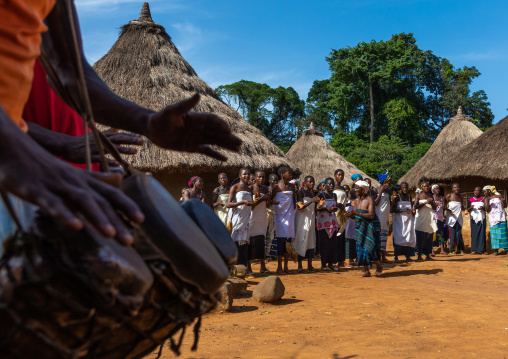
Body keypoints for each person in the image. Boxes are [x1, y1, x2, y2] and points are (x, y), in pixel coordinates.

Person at [0, 0, 242, 246]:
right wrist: (43, 146)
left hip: (51, 161)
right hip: (19, 169)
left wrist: (146, 121)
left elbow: (72, 71)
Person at [346, 180, 383, 277]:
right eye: (355, 187)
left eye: (357, 188)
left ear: (363, 190)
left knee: (369, 249)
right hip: (360, 227)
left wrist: (356, 213)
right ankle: (366, 271)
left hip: (370, 227)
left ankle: (379, 266)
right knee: (360, 248)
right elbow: (356, 215)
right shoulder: (357, 201)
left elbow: (371, 215)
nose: (355, 190)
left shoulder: (369, 199)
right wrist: (350, 215)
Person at [226, 168, 254, 266]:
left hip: (246, 220)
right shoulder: (235, 187)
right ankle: (232, 270)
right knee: (235, 244)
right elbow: (228, 204)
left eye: (248, 174)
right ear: (239, 176)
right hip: (236, 220)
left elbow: (251, 206)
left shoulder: (250, 189)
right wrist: (242, 202)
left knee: (244, 246)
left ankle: (242, 270)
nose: (247, 176)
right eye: (244, 174)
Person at [271, 166, 296, 274]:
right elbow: (272, 199)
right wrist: (274, 202)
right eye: (288, 173)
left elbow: (294, 200)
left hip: (289, 216)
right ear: (282, 175)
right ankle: (279, 267)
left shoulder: (292, 186)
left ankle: (286, 267)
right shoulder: (276, 187)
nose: (290, 175)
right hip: (280, 217)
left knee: (288, 242)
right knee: (280, 242)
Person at [247, 170, 271, 274]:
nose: (261, 179)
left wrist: (268, 199)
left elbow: (268, 206)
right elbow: (251, 206)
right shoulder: (250, 189)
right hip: (252, 218)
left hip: (262, 217)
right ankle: (249, 268)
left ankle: (263, 266)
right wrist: (262, 199)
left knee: (261, 241)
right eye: (259, 177)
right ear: (255, 178)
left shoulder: (266, 189)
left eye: (263, 177)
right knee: (250, 242)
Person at [295, 176, 320, 272]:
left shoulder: (313, 193)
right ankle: (300, 266)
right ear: (305, 183)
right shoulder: (301, 192)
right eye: (310, 182)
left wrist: (318, 205)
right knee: (301, 240)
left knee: (310, 241)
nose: (312, 184)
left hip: (311, 220)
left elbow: (314, 209)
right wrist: (311, 201)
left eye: (313, 182)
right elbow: (300, 207)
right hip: (302, 220)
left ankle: (310, 265)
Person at [316, 178, 341, 271]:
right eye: (329, 184)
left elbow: (334, 206)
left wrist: (337, 207)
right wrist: (327, 209)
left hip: (332, 222)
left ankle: (331, 263)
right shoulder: (321, 195)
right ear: (325, 185)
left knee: (332, 244)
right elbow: (317, 208)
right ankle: (323, 265)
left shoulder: (334, 195)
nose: (331, 185)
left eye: (332, 184)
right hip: (323, 223)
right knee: (324, 244)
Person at [392, 182, 416, 262]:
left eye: (406, 187)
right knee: (398, 237)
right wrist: (402, 210)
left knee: (408, 237)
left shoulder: (409, 197)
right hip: (399, 221)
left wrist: (412, 211)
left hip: (408, 220)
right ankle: (396, 257)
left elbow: (412, 208)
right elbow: (392, 210)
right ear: (400, 189)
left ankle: (408, 256)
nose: (405, 189)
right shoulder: (397, 197)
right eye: (403, 187)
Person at [414, 182, 437, 261]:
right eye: (425, 186)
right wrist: (425, 202)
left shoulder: (431, 196)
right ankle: (419, 255)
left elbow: (434, 208)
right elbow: (415, 206)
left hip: (429, 219)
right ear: (422, 187)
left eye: (427, 186)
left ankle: (428, 255)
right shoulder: (418, 195)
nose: (426, 187)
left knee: (429, 238)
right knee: (420, 238)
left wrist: (432, 203)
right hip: (420, 219)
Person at [483, 186, 508, 255]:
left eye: (485, 191)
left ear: (489, 191)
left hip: (501, 217)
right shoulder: (486, 199)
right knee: (495, 234)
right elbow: (487, 210)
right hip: (493, 218)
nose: (484, 193)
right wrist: (487, 202)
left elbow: (505, 206)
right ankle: (496, 250)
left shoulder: (499, 196)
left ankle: (506, 249)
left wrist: (503, 200)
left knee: (503, 233)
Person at [375, 170, 392, 263]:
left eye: (390, 183)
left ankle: (383, 257)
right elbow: (375, 203)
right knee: (378, 238)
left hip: (385, 218)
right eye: (388, 183)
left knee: (384, 238)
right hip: (378, 217)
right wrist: (380, 192)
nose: (389, 185)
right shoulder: (376, 190)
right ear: (383, 182)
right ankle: (377, 257)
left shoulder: (388, 191)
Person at [333, 169, 348, 268]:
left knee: (342, 238)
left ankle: (341, 260)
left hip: (342, 215)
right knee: (335, 238)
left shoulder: (343, 188)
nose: (340, 177)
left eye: (342, 175)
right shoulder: (332, 187)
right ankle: (333, 260)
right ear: (335, 175)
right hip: (334, 215)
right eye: (339, 175)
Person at [445, 183, 465, 255]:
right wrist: (449, 211)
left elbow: (462, 206)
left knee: (459, 233)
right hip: (451, 217)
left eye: (458, 187)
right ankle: (452, 250)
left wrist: (466, 210)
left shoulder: (461, 196)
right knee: (452, 234)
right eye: (455, 187)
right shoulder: (449, 196)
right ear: (452, 189)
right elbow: (444, 206)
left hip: (459, 217)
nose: (457, 189)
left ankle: (461, 249)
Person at [468, 187, 487, 254]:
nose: (476, 192)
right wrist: (470, 208)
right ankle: (474, 249)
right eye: (475, 190)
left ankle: (482, 249)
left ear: (480, 192)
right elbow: (467, 210)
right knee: (474, 233)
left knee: (482, 233)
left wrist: (483, 207)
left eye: (478, 191)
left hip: (482, 218)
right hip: (473, 219)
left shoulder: (483, 199)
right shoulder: (470, 200)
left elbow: (487, 208)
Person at [266, 174, 279, 258]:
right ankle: (265, 254)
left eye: (276, 180)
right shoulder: (266, 189)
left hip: (275, 214)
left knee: (272, 234)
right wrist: (271, 202)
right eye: (273, 180)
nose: (274, 182)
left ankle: (270, 253)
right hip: (267, 213)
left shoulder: (278, 190)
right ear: (269, 180)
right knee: (266, 233)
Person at [431, 184, 447, 255]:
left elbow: (443, 208)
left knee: (441, 233)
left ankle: (442, 249)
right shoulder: (431, 198)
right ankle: (431, 249)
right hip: (433, 218)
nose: (437, 190)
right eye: (436, 188)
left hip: (440, 218)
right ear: (432, 190)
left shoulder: (442, 198)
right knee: (433, 233)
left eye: (438, 189)